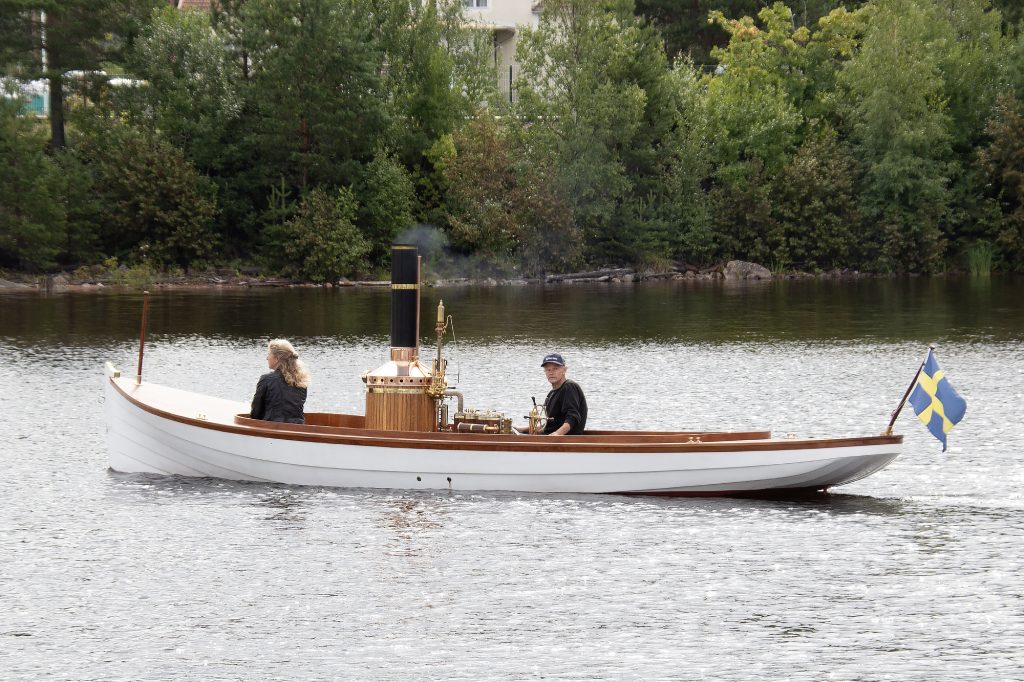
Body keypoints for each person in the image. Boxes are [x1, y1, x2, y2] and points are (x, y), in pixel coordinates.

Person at [250, 338, 310, 424]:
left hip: (272, 430)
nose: (267, 358)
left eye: (269, 354)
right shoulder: (301, 381)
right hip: (298, 429)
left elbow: (255, 414)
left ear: (277, 358)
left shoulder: (266, 380)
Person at [538, 352, 587, 436]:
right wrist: (522, 429)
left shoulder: (569, 387)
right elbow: (550, 425)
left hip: (566, 442)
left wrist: (556, 434)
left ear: (564, 370)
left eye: (555, 369)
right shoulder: (551, 393)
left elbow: (573, 417)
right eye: (548, 369)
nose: (551, 372)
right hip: (551, 437)